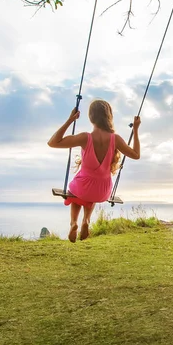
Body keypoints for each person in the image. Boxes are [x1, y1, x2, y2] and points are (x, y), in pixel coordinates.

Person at [47, 100, 141, 242]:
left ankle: (74, 223)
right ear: (109, 117)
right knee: (91, 190)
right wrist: (135, 130)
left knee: (76, 189)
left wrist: (70, 120)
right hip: (102, 191)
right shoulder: (115, 139)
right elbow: (136, 155)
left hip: (83, 188)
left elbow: (52, 142)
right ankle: (87, 220)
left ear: (91, 117)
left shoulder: (86, 138)